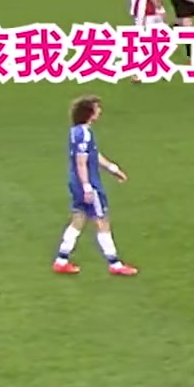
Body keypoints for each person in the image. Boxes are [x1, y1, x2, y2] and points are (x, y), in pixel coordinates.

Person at [53, 96, 138, 277]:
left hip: (75, 181)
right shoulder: (84, 134)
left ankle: (61, 260)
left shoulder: (76, 131)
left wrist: (113, 169)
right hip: (88, 183)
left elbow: (94, 155)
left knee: (78, 218)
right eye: (97, 108)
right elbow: (81, 161)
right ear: (89, 113)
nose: (99, 111)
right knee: (102, 221)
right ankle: (115, 264)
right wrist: (87, 187)